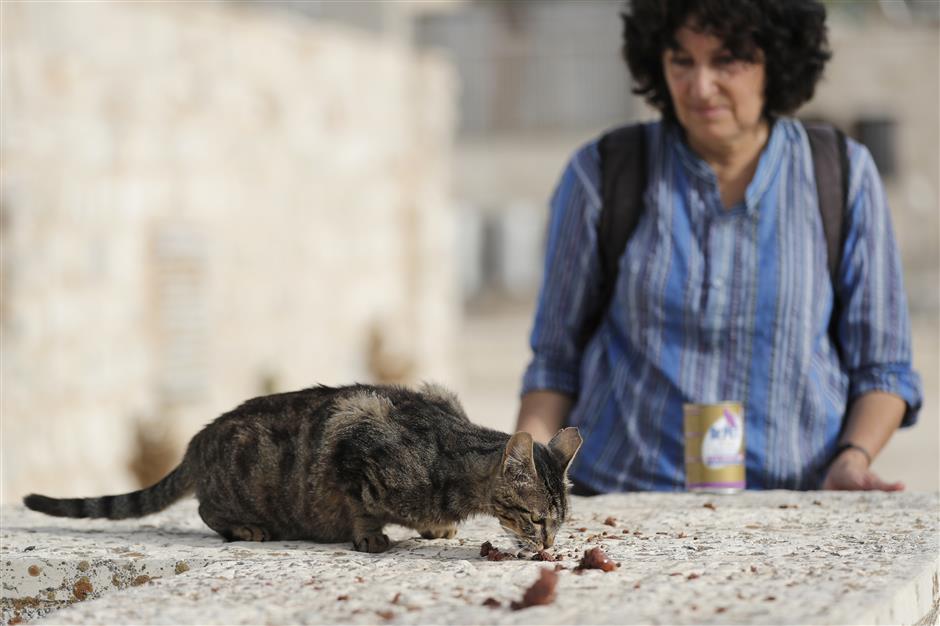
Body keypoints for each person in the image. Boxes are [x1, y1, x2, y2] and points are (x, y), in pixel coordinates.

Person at [515, 0, 922, 493]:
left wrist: (852, 459)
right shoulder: (603, 173)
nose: (701, 86)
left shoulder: (842, 176)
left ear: (778, 60)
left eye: (728, 60)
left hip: (792, 509)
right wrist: (525, 474)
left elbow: (883, 369)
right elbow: (556, 361)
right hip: (622, 499)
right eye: (682, 60)